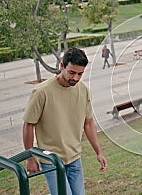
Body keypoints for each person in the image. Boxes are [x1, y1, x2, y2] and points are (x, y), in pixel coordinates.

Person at [22, 47, 107, 195]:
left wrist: (98, 152)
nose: (75, 78)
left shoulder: (84, 90)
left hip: (74, 157)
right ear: (62, 66)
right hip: (51, 160)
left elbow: (88, 123)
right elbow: (29, 125)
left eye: (80, 74)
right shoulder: (42, 92)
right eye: (72, 72)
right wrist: (30, 158)